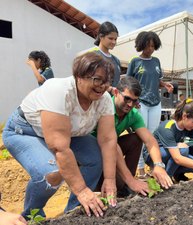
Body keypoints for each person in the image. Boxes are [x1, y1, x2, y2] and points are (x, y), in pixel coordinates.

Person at [2, 52, 117, 219]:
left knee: (95, 157)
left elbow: (107, 140)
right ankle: (32, 216)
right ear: (79, 77)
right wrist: (82, 190)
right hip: (25, 130)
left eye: (106, 81)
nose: (102, 86)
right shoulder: (59, 91)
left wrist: (110, 179)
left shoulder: (104, 98)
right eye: (97, 79)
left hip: (67, 133)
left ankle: (74, 212)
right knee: (51, 173)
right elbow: (59, 147)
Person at [102, 76, 173, 196]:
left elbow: (150, 140)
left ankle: (125, 187)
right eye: (127, 99)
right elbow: (110, 142)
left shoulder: (133, 114)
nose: (130, 104)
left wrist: (158, 165)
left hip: (111, 146)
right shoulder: (105, 107)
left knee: (136, 139)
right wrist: (131, 181)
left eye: (135, 101)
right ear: (115, 92)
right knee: (116, 182)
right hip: (93, 148)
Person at [126, 31, 174, 176]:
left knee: (152, 136)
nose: (150, 49)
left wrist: (165, 85)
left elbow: (156, 81)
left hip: (155, 103)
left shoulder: (156, 61)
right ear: (141, 45)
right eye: (148, 46)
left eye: (153, 46)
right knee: (141, 135)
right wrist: (133, 101)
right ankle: (140, 169)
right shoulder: (135, 62)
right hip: (141, 103)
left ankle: (151, 166)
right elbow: (129, 83)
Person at [89, 21, 121, 90]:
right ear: (101, 36)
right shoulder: (93, 56)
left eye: (115, 39)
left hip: (113, 99)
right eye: (110, 38)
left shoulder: (117, 60)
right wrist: (109, 89)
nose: (114, 42)